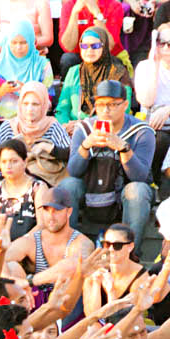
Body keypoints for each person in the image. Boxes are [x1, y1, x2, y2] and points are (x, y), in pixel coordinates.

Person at [62, 79, 156, 239]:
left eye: (112, 104)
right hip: (92, 189)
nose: (106, 110)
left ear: (125, 105)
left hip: (125, 193)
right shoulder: (84, 129)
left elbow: (139, 176)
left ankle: (130, 253)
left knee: (137, 191)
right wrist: (86, 146)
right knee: (67, 185)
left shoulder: (141, 131)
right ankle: (66, 247)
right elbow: (73, 172)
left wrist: (123, 148)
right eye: (100, 104)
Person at [4, 184, 97, 277]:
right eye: (46, 210)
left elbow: (73, 266)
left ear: (69, 212)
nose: (51, 216)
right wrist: (1, 251)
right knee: (11, 267)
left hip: (67, 291)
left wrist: (32, 281)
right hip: (33, 290)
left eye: (56, 210)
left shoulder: (81, 242)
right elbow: (2, 262)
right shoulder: (31, 241)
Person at [0, 82, 73, 186]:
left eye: (35, 104)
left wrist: (48, 148)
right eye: (25, 104)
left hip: (46, 181)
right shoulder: (9, 126)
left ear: (44, 106)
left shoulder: (52, 126)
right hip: (12, 182)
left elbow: (70, 154)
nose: (30, 109)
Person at [0, 140, 50, 253]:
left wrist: (16, 246)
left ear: (25, 162)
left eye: (14, 161)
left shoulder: (38, 188)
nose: (8, 166)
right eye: (4, 161)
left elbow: (42, 225)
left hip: (27, 247)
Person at [56, 27, 134, 126]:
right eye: (84, 46)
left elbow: (123, 111)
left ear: (104, 46)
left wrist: (87, 127)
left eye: (95, 46)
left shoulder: (119, 73)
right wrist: (66, 126)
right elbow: (62, 109)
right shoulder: (74, 72)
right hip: (73, 132)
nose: (89, 50)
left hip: (106, 132)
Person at [0, 20, 55, 120]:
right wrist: (1, 92)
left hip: (31, 122)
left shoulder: (42, 65)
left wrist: (27, 91)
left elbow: (48, 103)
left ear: (32, 41)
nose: (18, 47)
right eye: (14, 42)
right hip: (0, 120)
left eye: (23, 42)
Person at [134, 22, 170, 184]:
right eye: (162, 43)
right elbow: (146, 100)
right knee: (158, 139)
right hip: (155, 128)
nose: (166, 49)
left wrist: (167, 110)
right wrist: (154, 65)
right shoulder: (145, 67)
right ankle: (153, 181)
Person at [59, 0, 128, 75]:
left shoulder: (114, 5)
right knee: (68, 59)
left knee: (114, 63)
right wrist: (74, 13)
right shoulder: (69, 5)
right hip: (81, 55)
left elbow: (109, 46)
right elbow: (68, 47)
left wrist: (97, 14)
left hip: (106, 55)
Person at [0, 0, 56, 64]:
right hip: (2, 52)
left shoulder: (40, 3)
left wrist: (24, 43)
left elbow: (48, 38)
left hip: (30, 53)